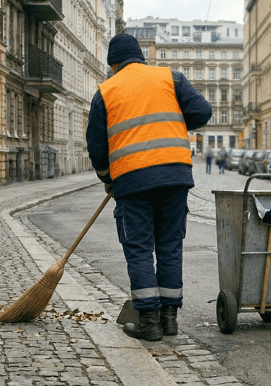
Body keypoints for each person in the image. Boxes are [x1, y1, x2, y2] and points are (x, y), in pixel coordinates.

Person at [86, 34, 212, 341]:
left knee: (139, 249)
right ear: (142, 57)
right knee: (170, 246)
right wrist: (174, 121)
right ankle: (169, 320)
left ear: (112, 64)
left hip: (132, 181)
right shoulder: (171, 78)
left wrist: (107, 179)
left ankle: (148, 322)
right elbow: (203, 113)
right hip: (175, 175)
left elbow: (97, 147)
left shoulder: (106, 90)